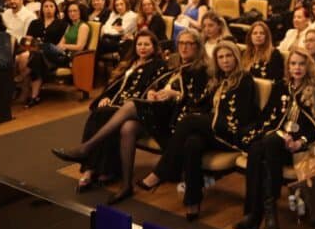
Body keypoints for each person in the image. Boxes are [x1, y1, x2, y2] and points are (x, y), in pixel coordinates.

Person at [51, 28, 212, 205]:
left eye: (189, 44)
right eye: (181, 43)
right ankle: (126, 185)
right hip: (160, 110)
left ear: (198, 46)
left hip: (174, 121)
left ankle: (86, 149)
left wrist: (175, 95)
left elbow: (198, 102)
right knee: (127, 127)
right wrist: (153, 93)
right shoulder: (176, 65)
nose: (184, 47)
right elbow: (159, 87)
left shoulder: (200, 69)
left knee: (129, 105)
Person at [137, 41, 259, 220]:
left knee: (189, 121)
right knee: (191, 143)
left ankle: (161, 172)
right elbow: (201, 103)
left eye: (229, 56)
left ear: (236, 58)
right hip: (213, 129)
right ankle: (192, 201)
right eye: (221, 57)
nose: (225, 61)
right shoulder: (217, 79)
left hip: (231, 132)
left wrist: (203, 120)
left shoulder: (244, 79)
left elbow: (240, 116)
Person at [233, 48, 315, 229]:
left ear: (308, 66)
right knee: (259, 147)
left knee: (264, 146)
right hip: (277, 145)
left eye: (301, 64)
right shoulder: (281, 86)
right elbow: (267, 115)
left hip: (303, 148)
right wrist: (278, 134)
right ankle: (264, 212)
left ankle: (256, 215)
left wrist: (301, 141)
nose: (297, 68)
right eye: (293, 64)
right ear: (288, 67)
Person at [74, 30, 168, 193]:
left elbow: (157, 88)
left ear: (154, 47)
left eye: (147, 44)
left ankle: (93, 166)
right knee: (99, 113)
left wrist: (153, 93)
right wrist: (106, 97)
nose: (142, 48)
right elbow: (113, 86)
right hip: (115, 104)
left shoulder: (159, 65)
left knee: (104, 115)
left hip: (135, 109)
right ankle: (94, 169)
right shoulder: (129, 63)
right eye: (139, 44)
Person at [15, 0, 67, 105]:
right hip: (35, 52)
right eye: (46, 6)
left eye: (51, 6)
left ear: (56, 9)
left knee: (34, 57)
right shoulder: (35, 23)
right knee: (32, 57)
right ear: (42, 9)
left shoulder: (62, 24)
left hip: (51, 54)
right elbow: (28, 40)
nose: (48, 9)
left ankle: (23, 78)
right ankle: (34, 96)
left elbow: (60, 46)